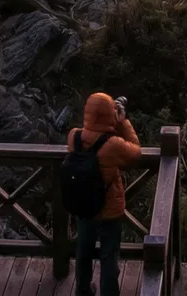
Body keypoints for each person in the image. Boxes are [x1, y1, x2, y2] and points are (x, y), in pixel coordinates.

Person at [67, 93, 142, 296]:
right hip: (109, 210)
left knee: (83, 252)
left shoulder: (74, 136)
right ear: (110, 113)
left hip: (83, 205)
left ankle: (83, 290)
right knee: (109, 257)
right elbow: (136, 152)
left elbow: (92, 135)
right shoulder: (113, 144)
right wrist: (122, 122)